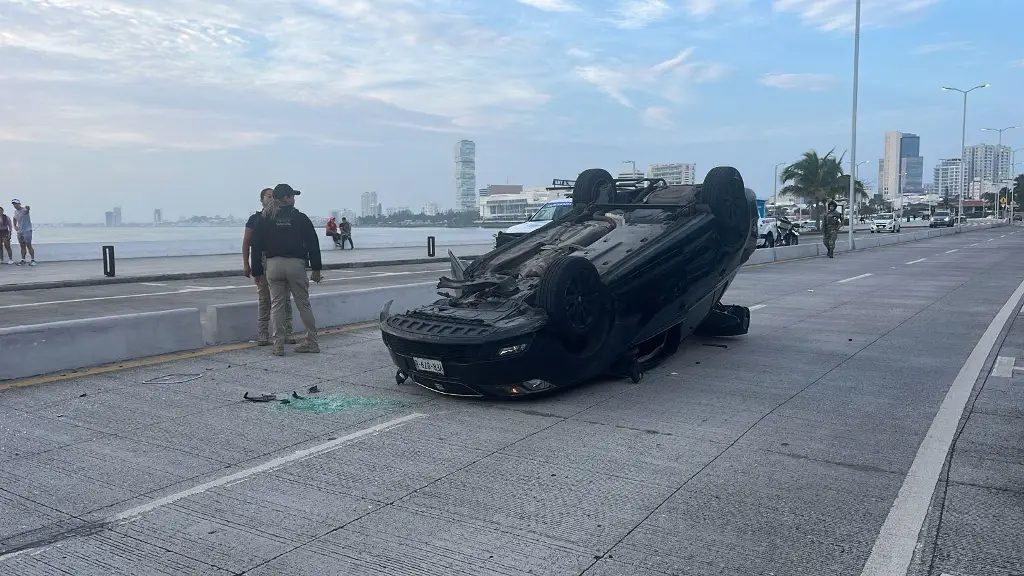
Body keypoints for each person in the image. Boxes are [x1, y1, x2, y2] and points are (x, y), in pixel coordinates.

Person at [250, 183, 323, 355]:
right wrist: (316, 268)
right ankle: (312, 341)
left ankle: (278, 345)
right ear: (286, 198)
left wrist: (257, 271)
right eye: (292, 196)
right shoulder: (300, 218)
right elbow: (313, 243)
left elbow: (256, 245)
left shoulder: (265, 218)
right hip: (296, 264)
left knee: (277, 305)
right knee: (303, 303)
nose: (294, 199)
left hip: (273, 265)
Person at [243, 188, 295, 346]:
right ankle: (263, 332)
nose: (271, 199)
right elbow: (247, 243)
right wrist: (247, 264)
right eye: (268, 196)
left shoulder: (285, 217)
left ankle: (287, 332)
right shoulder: (256, 219)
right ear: (261, 200)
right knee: (264, 298)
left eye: (274, 196)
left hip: (280, 261)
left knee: (285, 298)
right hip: (262, 260)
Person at [11, 199, 36, 266]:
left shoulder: (24, 210)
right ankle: (23, 260)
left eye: (16, 204)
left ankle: (33, 260)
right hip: (20, 231)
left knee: (29, 245)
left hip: (27, 230)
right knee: (22, 246)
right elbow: (14, 218)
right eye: (14, 204)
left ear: (19, 204)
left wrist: (28, 208)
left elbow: (27, 210)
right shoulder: (15, 212)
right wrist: (15, 226)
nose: (15, 205)